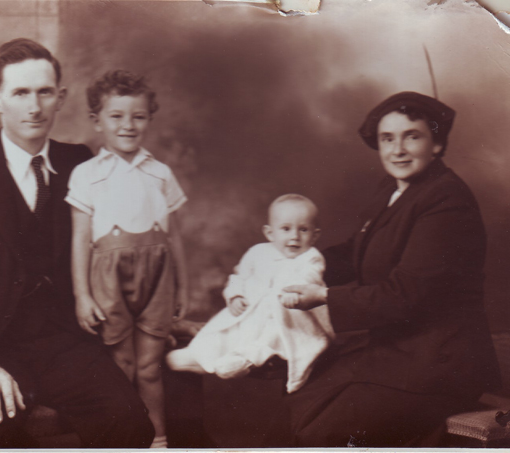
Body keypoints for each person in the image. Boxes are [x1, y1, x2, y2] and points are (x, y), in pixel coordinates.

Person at [0, 38, 154, 448]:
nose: (34, 107)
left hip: (62, 344)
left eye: (44, 92)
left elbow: (126, 242)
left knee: (130, 423)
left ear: (60, 97)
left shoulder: (82, 163)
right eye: (21, 93)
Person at [282, 92, 501, 447]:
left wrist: (322, 296)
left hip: (439, 364)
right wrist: (291, 266)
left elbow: (404, 296)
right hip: (396, 351)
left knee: (319, 429)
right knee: (297, 393)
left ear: (437, 144)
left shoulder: (447, 201)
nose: (397, 150)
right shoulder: (393, 189)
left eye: (411, 136)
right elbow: (355, 251)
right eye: (387, 139)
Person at [66, 69, 189, 449]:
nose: (128, 125)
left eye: (138, 116)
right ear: (97, 121)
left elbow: (175, 237)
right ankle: (123, 442)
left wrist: (184, 287)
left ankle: (158, 441)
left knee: (150, 368)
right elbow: (80, 239)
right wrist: (82, 296)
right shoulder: (86, 175)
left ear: (149, 118)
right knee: (123, 365)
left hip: (158, 279)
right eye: (116, 116)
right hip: (108, 281)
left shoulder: (161, 173)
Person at [167, 194, 335, 393]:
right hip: (253, 312)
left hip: (289, 317)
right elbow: (239, 276)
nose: (295, 237)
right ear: (270, 233)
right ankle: (198, 355)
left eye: (303, 230)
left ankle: (244, 361)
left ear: (315, 236)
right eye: (286, 229)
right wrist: (235, 296)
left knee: (271, 337)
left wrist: (295, 295)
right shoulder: (258, 253)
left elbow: (310, 278)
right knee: (224, 330)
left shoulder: (311, 258)